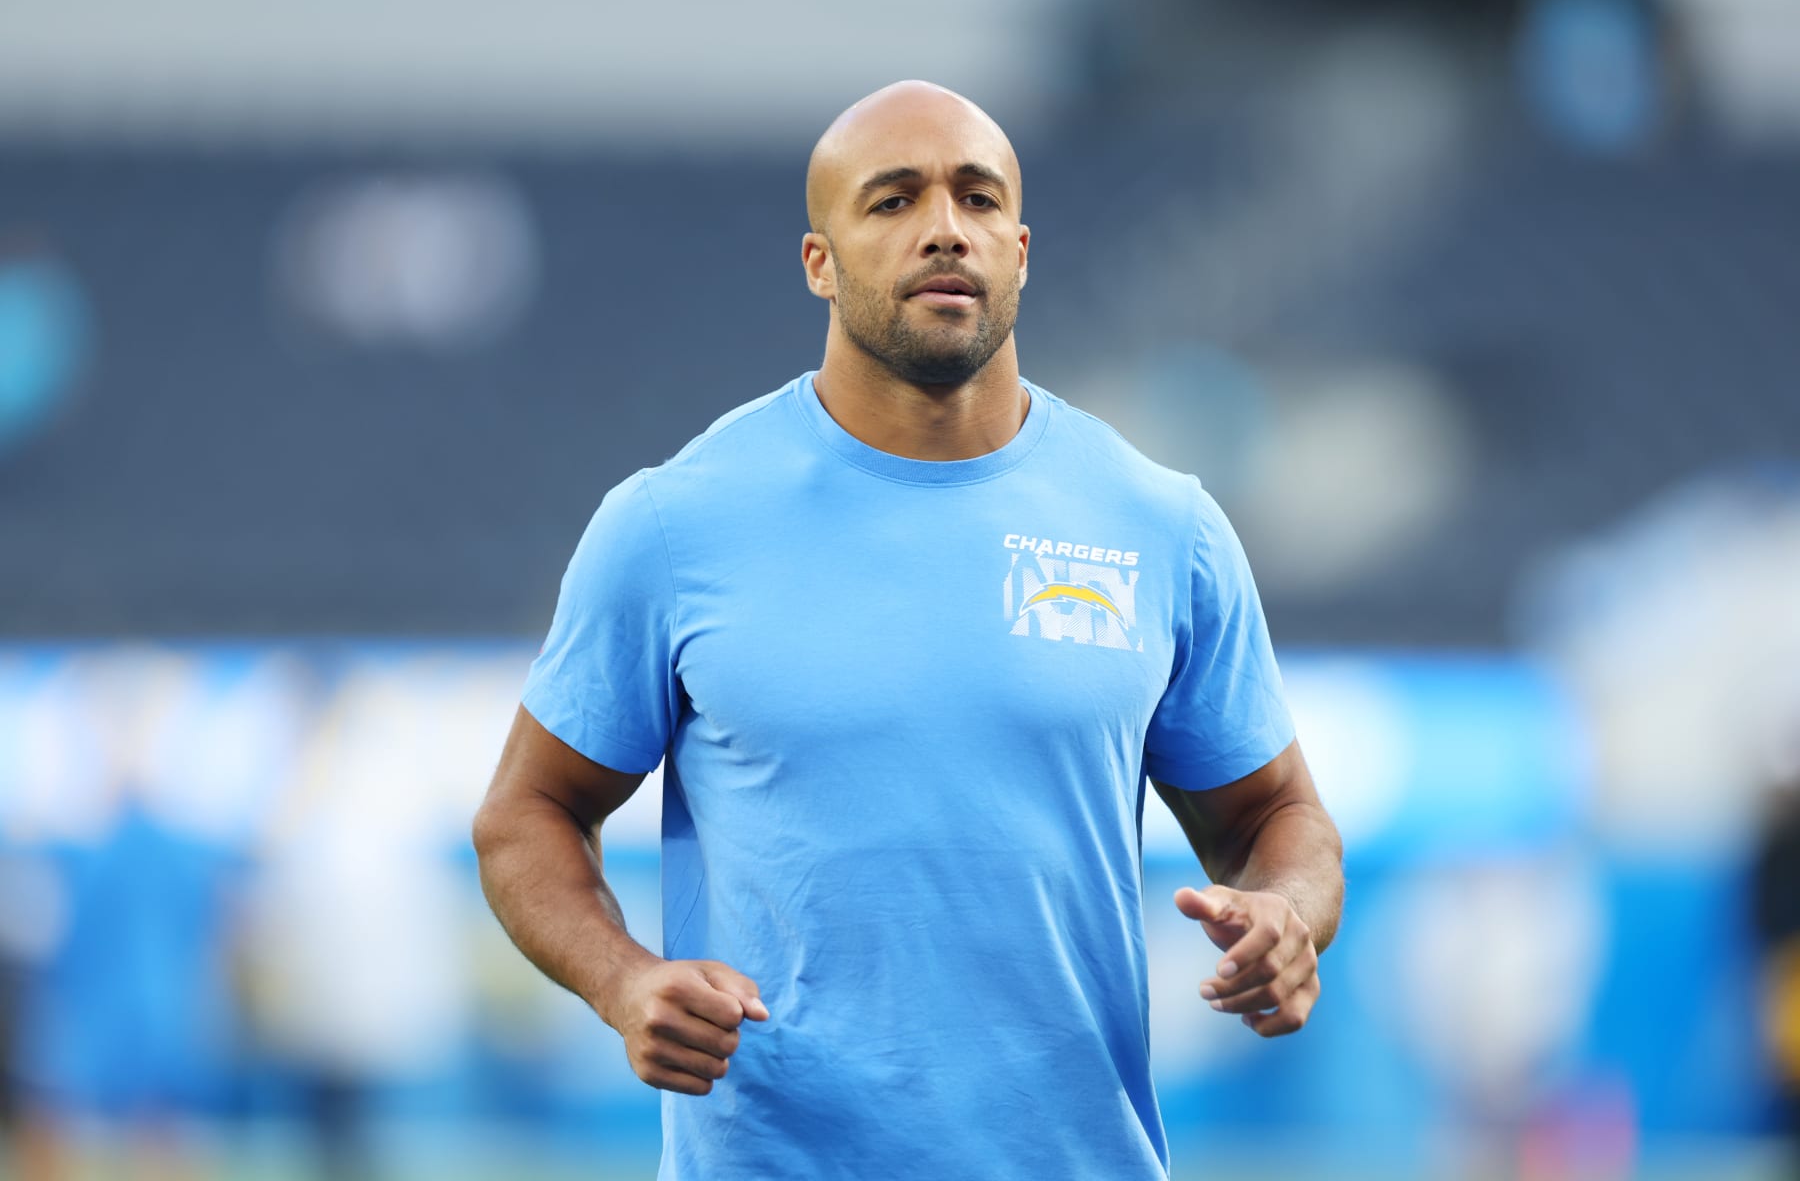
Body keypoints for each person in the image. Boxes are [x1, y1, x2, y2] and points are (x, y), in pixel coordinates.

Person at [473, 80, 1344, 1179]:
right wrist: (621, 980)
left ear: (1020, 249)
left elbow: (1279, 815)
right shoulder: (673, 524)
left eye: (977, 199)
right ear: (818, 264)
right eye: (892, 201)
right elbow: (526, 814)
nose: (944, 226)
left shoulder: (1160, 528)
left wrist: (1287, 915)